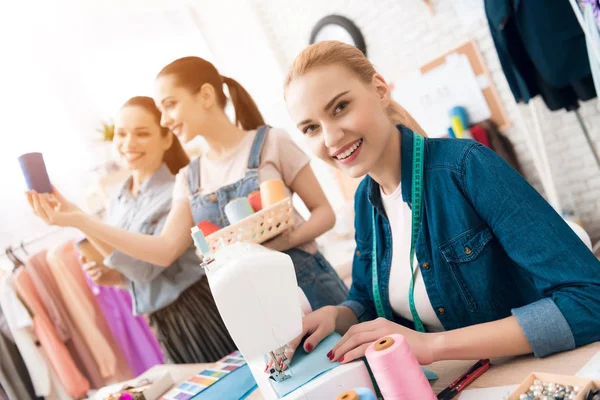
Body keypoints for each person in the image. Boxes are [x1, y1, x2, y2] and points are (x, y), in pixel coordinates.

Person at [279, 40, 600, 367]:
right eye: (311, 128)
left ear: (379, 90)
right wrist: (337, 315)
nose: (330, 137)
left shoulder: (467, 167)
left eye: (340, 108)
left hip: (533, 372)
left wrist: (433, 346)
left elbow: (590, 300)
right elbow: (367, 298)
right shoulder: (365, 201)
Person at [28, 56, 348, 316]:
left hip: (309, 285)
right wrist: (80, 219)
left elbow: (324, 214)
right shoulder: (189, 177)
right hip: (255, 305)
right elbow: (165, 250)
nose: (164, 119)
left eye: (170, 104)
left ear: (206, 96)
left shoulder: (271, 142)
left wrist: (272, 247)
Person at [28, 96, 236, 364]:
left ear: (166, 139)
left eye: (142, 133)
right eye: (121, 134)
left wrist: (80, 219)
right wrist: (113, 278)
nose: (128, 144)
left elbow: (146, 267)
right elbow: (141, 276)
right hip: (164, 322)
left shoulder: (178, 190)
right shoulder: (118, 199)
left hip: (198, 310)